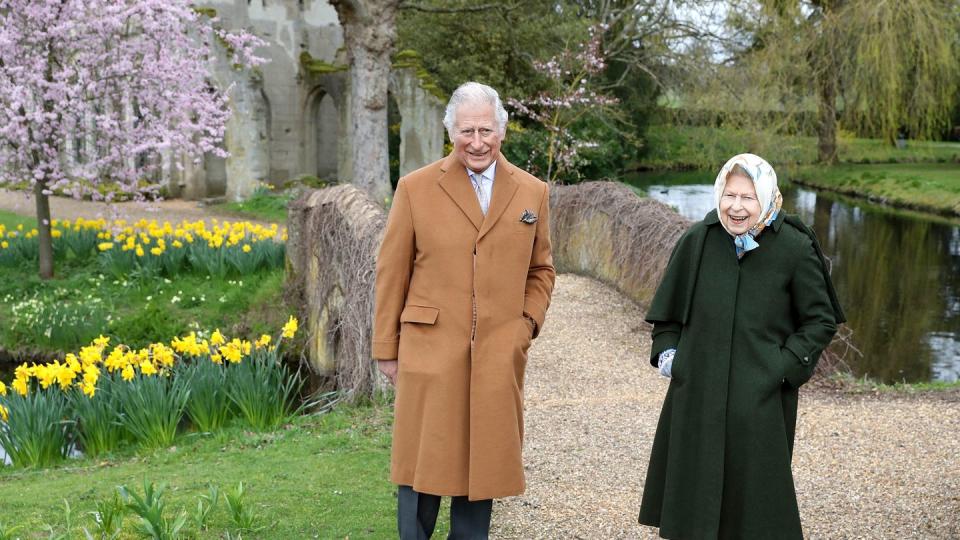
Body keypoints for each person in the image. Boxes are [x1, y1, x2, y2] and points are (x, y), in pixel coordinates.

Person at [372, 81, 555, 539]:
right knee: (422, 466)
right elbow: (392, 272)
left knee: (481, 467)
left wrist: (524, 326)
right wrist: (386, 350)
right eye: (467, 130)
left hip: (496, 353)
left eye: (486, 131)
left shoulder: (532, 192)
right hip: (429, 351)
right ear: (450, 131)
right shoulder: (415, 188)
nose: (477, 142)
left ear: (502, 133)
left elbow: (542, 270)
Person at [637, 153, 845, 539]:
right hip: (696, 398)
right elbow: (667, 318)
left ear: (766, 197)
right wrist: (672, 359)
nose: (736, 207)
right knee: (692, 510)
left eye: (748, 197)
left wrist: (780, 368)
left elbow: (820, 320)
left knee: (756, 515)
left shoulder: (795, 247)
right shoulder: (698, 240)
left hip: (760, 404)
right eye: (730, 195)